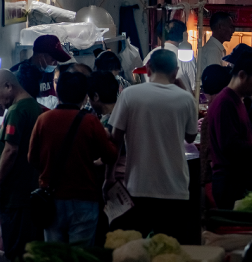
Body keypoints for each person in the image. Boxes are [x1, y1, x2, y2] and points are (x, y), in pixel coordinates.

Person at [108, 49, 198, 240]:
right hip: (176, 188)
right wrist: (182, 89)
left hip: (138, 187)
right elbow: (191, 137)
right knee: (169, 250)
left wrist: (109, 177)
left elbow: (114, 140)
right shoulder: (186, 99)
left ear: (148, 69)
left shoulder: (129, 95)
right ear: (175, 72)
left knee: (136, 250)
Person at [28, 72, 118, 247]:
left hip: (51, 198)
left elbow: (32, 158)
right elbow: (110, 155)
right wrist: (111, 136)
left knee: (56, 258)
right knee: (80, 258)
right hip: (84, 197)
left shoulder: (43, 120)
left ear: (58, 92)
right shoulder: (91, 122)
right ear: (85, 96)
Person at [204, 49, 252, 209]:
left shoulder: (237, 100)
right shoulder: (225, 103)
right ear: (242, 75)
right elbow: (229, 145)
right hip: (231, 184)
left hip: (240, 182)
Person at [0, 67, 42, 258]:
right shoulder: (33, 106)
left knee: (15, 253)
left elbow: (10, 151)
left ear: (8, 86)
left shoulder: (17, 111)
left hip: (15, 195)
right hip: (28, 190)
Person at [13, 34, 71, 108]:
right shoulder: (18, 75)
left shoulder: (54, 73)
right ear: (40, 57)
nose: (56, 64)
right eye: (53, 60)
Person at [143, 20, 198, 93]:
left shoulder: (149, 56)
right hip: (182, 102)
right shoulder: (187, 57)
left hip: (154, 102)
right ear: (183, 36)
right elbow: (195, 89)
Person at [198, 11, 235, 76]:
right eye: (230, 27)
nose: (232, 31)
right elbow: (215, 79)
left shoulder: (216, 48)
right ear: (220, 27)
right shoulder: (213, 50)